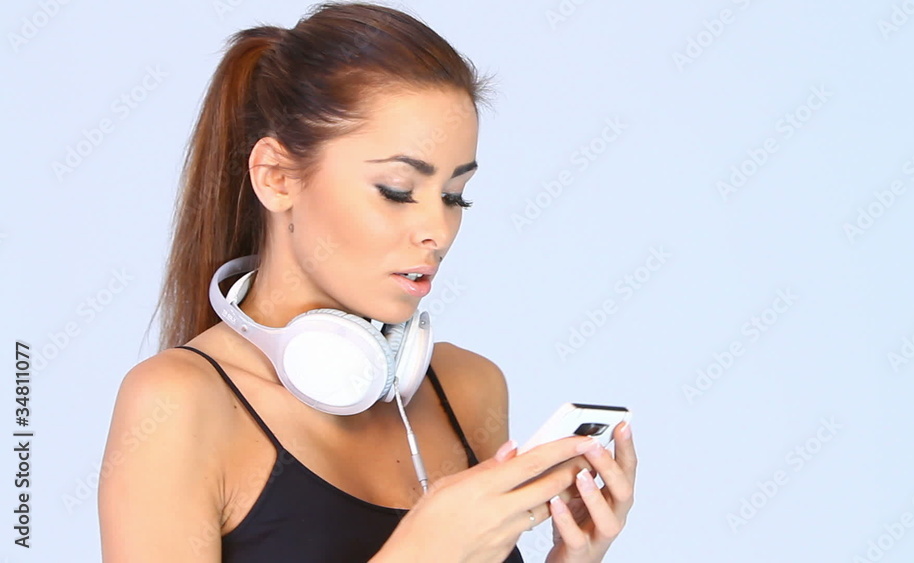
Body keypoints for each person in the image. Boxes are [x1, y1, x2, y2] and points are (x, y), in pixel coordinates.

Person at [97, 2, 637, 561]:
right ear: (277, 178)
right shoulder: (177, 405)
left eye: (455, 196)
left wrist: (572, 558)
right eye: (398, 191)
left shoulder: (469, 388)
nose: (437, 231)